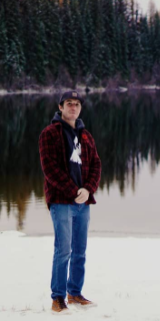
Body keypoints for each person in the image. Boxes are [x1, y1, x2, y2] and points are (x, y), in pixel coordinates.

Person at [39, 91, 102, 312]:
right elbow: (50, 170)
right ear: (61, 107)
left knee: (80, 250)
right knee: (63, 249)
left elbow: (96, 165)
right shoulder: (50, 133)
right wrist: (75, 191)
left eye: (76, 104)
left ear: (80, 108)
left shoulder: (86, 136)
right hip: (61, 201)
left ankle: (74, 293)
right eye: (69, 103)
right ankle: (58, 298)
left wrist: (88, 189)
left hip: (83, 202)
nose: (73, 107)